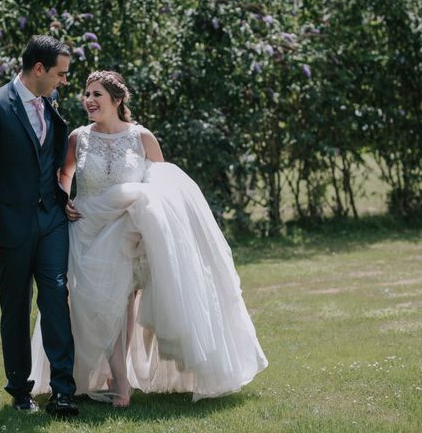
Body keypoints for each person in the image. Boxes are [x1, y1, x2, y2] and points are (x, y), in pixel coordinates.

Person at [29, 70, 268, 407]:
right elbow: (65, 174)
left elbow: (163, 185)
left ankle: (120, 380)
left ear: (117, 99)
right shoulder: (78, 138)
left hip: (128, 227)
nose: (89, 100)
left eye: (97, 94)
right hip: (87, 226)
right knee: (94, 302)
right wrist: (64, 200)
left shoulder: (141, 137)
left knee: (123, 298)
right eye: (87, 94)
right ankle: (106, 374)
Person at [0, 35, 78, 417]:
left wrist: (65, 198)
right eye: (60, 74)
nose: (64, 81)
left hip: (51, 220)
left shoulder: (51, 104)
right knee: (15, 307)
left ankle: (63, 390)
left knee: (56, 298)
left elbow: (53, 161)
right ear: (38, 69)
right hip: (10, 225)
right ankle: (20, 391)